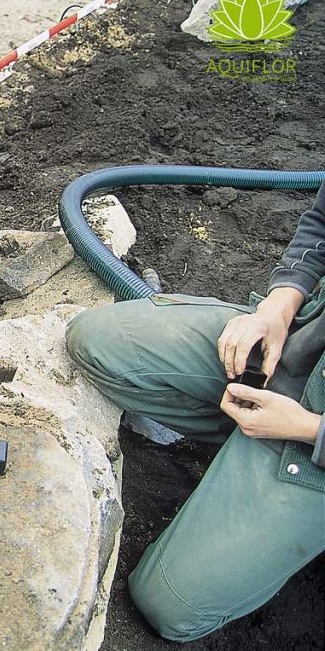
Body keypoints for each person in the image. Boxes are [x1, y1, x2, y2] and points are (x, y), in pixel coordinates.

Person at [66, 182, 325, 641]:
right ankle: (245, 448)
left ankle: (277, 495)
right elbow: (321, 224)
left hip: (313, 443)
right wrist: (281, 305)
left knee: (168, 605)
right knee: (99, 343)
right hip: (301, 345)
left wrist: (307, 429)